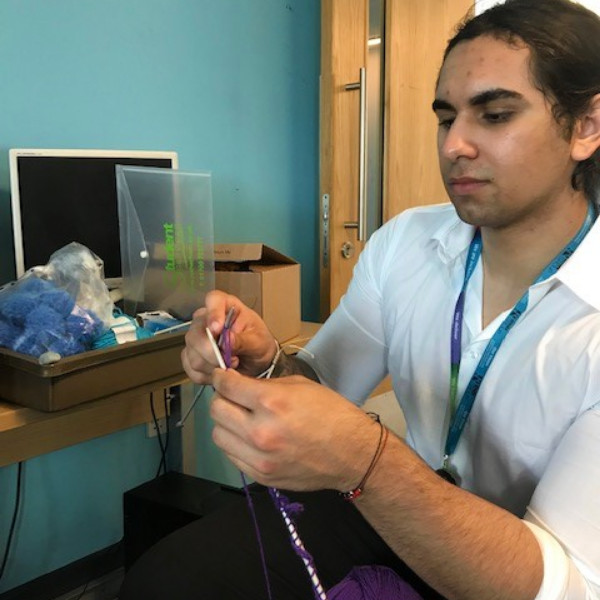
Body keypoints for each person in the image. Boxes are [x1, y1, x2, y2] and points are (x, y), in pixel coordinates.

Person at [120, 1, 600, 598]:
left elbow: (567, 586)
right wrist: (267, 361)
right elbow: (321, 384)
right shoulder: (406, 243)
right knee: (168, 582)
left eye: (495, 115)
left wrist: (368, 461)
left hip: (514, 560)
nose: (455, 146)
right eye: (446, 118)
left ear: (586, 126)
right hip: (396, 508)